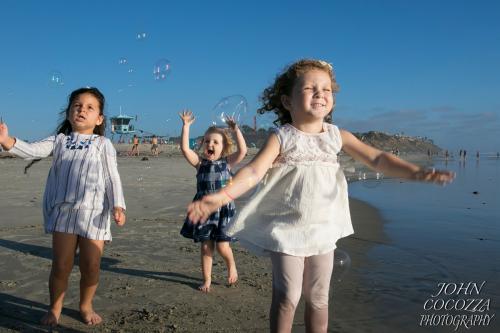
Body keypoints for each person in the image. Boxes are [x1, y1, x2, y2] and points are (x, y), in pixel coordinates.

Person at [187, 59, 455, 332]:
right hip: (287, 228)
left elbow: (377, 158)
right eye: (309, 88)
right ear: (287, 101)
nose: (320, 93)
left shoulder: (337, 136)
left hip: (323, 229)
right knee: (288, 295)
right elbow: (254, 171)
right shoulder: (282, 137)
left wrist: (415, 172)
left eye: (327, 89)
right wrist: (222, 196)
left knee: (318, 298)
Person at [0, 87, 126, 327]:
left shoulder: (103, 144)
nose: (82, 110)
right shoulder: (60, 141)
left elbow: (112, 177)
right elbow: (33, 150)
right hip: (64, 213)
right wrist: (7, 141)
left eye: (90, 107)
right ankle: (54, 308)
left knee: (91, 265)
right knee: (61, 265)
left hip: (95, 214)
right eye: (77, 105)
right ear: (68, 113)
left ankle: (85, 305)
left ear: (99, 119)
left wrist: (118, 205)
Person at [179, 109, 247, 292]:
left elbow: (243, 151)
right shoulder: (199, 164)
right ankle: (207, 280)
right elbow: (185, 148)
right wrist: (186, 127)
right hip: (205, 210)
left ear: (223, 147)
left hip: (223, 208)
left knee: (223, 245)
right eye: (207, 141)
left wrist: (235, 129)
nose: (210, 144)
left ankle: (231, 264)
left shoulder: (227, 162)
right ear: (202, 145)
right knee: (206, 247)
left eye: (216, 142)